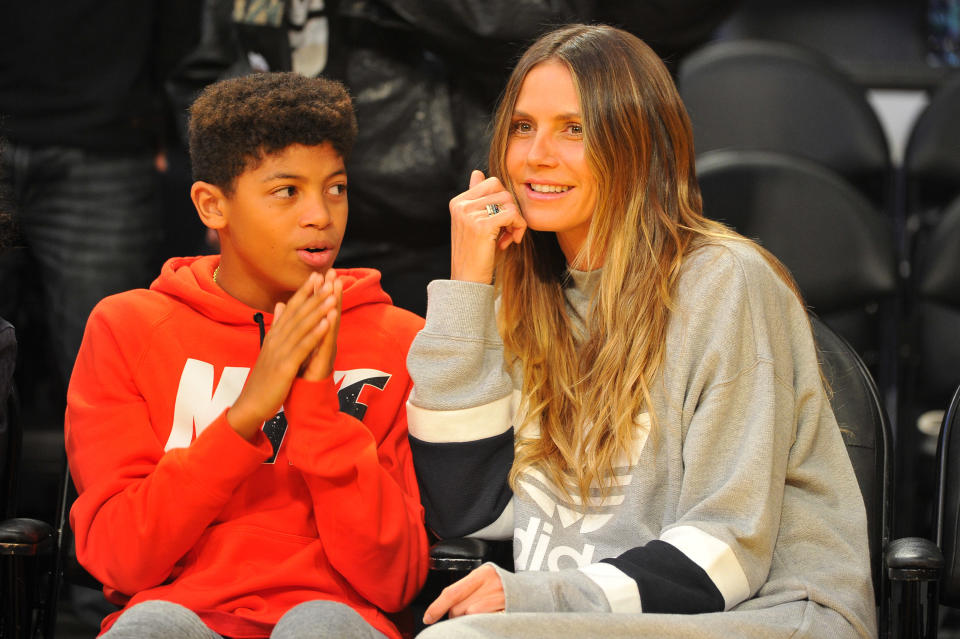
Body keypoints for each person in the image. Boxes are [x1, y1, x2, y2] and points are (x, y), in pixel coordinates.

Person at [406, 24, 877, 639]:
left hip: (774, 612)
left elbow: (727, 551)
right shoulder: (528, 291)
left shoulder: (726, 282)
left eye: (575, 129)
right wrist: (468, 288)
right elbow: (468, 511)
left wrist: (539, 597)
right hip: (607, 616)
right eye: (523, 126)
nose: (535, 156)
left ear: (637, 144)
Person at [65, 72, 429, 639]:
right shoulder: (128, 326)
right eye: (288, 191)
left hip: (338, 616)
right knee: (151, 628)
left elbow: (395, 581)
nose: (321, 215)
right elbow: (119, 560)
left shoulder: (399, 339)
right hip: (177, 612)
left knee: (320, 627)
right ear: (213, 206)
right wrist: (244, 415)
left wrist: (313, 406)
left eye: (336, 187)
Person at [167, 0, 740, 316]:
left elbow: (548, 30)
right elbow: (215, 55)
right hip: (294, 212)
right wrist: (237, 178)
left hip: (434, 215)